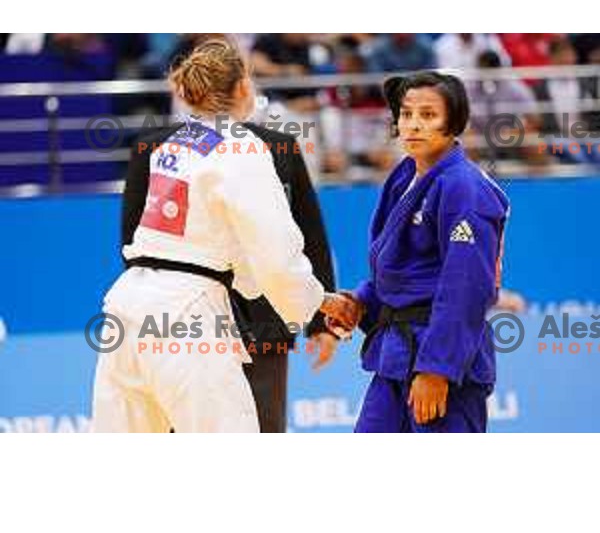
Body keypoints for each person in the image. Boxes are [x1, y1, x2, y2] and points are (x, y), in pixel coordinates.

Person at [92, 39, 358, 433]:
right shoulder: (242, 146)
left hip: (129, 309)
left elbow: (235, 253)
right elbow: (275, 254)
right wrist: (318, 301)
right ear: (242, 88)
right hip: (189, 316)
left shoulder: (170, 144)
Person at [122, 119, 340, 433]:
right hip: (186, 321)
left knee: (261, 424)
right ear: (242, 86)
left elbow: (308, 233)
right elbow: (137, 244)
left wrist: (320, 320)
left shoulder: (275, 145)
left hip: (261, 322)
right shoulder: (156, 146)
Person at [330, 71, 510, 433]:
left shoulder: (463, 187)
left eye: (428, 115)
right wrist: (362, 301)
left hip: (441, 358)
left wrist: (437, 369)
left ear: (453, 122)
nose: (413, 124)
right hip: (395, 356)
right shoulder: (405, 175)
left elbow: (467, 285)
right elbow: (401, 267)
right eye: (406, 113)